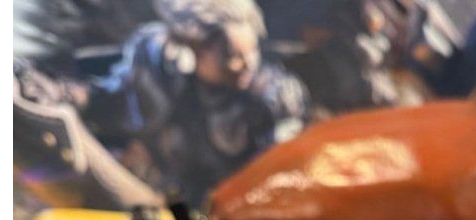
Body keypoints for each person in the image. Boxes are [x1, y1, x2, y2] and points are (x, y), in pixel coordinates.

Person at [71, 0, 308, 203]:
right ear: (191, 48)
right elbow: (107, 100)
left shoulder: (274, 96)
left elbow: (283, 170)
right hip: (163, 201)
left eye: (253, 50)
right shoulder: (160, 67)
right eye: (231, 55)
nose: (248, 64)